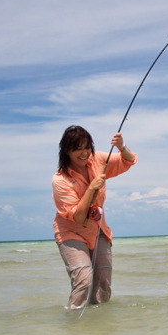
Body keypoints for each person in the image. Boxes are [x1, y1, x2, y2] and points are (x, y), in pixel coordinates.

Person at [52, 125, 137, 310]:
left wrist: (122, 147)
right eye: (77, 149)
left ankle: (98, 330)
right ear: (66, 151)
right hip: (71, 232)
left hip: (98, 230)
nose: (84, 153)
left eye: (86, 147)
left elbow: (129, 161)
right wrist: (91, 188)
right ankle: (74, 322)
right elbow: (78, 218)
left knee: (103, 283)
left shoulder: (97, 159)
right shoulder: (60, 180)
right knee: (84, 280)